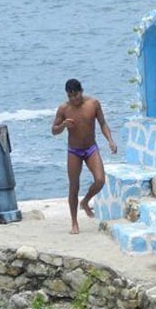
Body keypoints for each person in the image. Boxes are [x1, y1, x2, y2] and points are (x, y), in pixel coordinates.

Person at [51, 78, 117, 234]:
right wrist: (62, 126)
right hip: (74, 151)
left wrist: (110, 141)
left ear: (81, 91)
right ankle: (74, 223)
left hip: (90, 148)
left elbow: (102, 123)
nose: (73, 99)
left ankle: (86, 201)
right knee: (74, 186)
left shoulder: (93, 104)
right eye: (70, 96)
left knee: (100, 180)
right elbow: (54, 130)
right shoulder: (63, 109)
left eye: (76, 95)